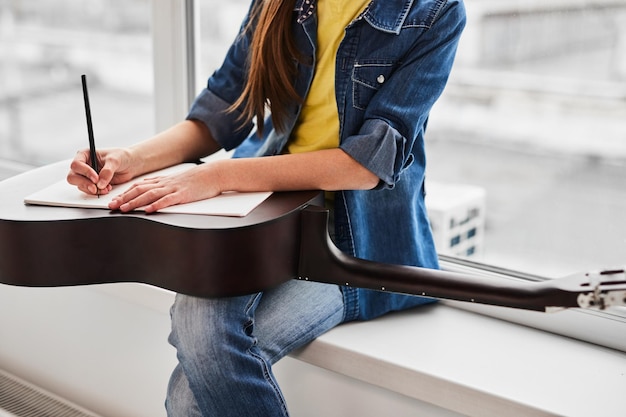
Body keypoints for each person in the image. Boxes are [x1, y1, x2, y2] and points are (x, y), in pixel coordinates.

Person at [68, 0, 466, 415]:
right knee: (198, 327)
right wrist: (132, 159)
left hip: (353, 244)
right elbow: (224, 109)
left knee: (191, 395)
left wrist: (216, 177)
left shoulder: (434, 11)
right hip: (265, 219)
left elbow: (367, 164)